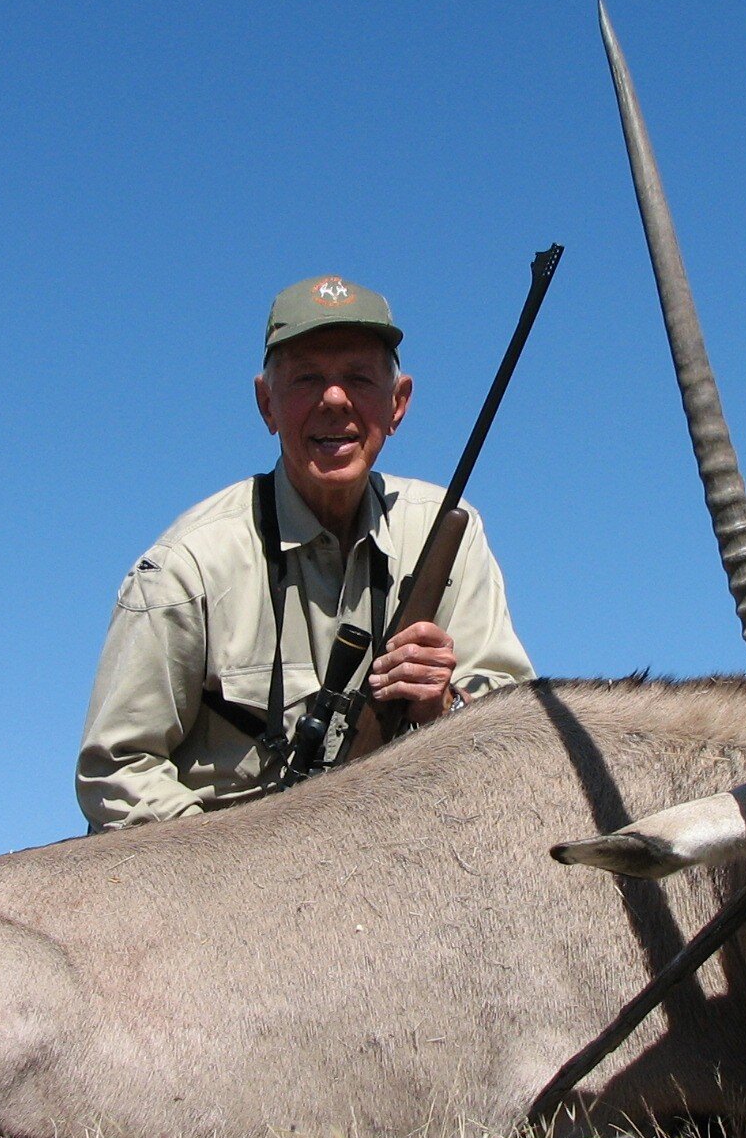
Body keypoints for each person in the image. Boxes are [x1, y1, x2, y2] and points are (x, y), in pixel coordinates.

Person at [75, 274, 534, 829]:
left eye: (359, 378)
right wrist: (233, 874)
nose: (334, 399)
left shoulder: (449, 531)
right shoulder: (188, 563)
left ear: (398, 403)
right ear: (267, 404)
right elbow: (116, 767)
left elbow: (515, 735)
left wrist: (445, 706)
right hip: (227, 881)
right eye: (307, 379)